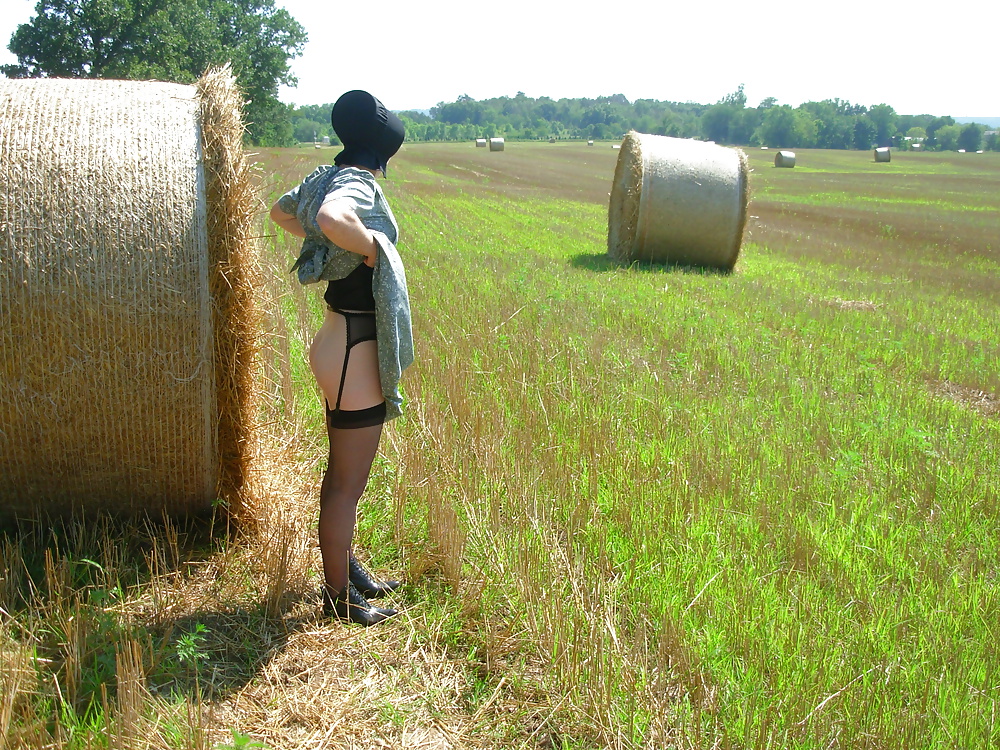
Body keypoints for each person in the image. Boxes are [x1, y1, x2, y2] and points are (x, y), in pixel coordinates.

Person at [269, 90, 413, 627]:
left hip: (336, 342)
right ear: (383, 153)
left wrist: (331, 246)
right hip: (355, 348)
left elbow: (283, 211)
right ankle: (339, 598)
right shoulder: (357, 183)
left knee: (341, 475)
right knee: (348, 483)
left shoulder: (323, 176)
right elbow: (331, 217)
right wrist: (371, 248)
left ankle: (346, 567)